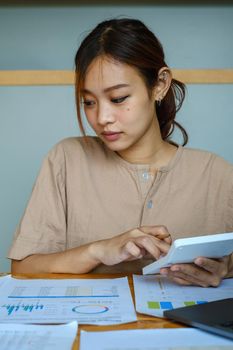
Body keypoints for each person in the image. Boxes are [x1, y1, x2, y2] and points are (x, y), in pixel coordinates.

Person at [9, 18, 233, 287]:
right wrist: (98, 250)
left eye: (118, 99)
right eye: (89, 102)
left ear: (160, 84)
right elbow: (22, 268)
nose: (102, 117)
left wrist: (225, 268)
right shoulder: (67, 159)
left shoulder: (217, 174)